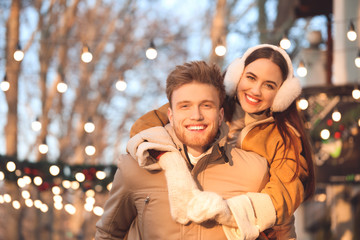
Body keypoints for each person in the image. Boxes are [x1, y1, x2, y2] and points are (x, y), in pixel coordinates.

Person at [128, 44, 315, 239]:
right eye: (251, 78)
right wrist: (171, 162)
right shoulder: (207, 104)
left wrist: (227, 211)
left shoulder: (284, 137)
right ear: (237, 75)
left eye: (269, 85)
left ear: (282, 95)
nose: (256, 90)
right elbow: (142, 128)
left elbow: (285, 195)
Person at [95, 61, 274, 239]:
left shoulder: (255, 171)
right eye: (185, 106)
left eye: (206, 105)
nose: (196, 116)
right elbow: (107, 234)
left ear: (220, 116)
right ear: (171, 116)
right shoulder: (135, 167)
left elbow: (282, 235)